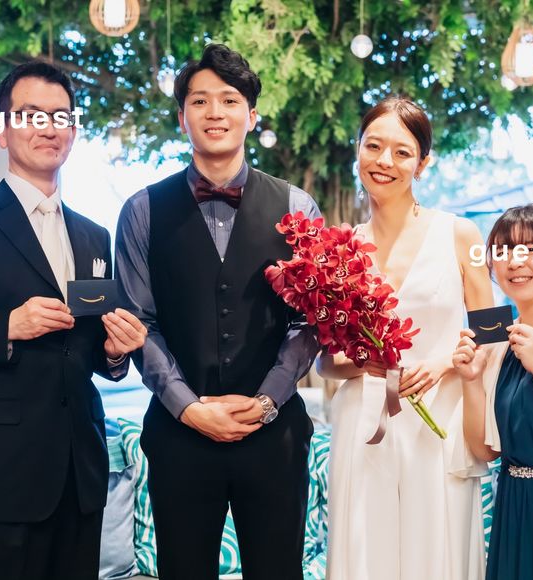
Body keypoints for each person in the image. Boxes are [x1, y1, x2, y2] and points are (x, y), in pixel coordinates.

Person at [115, 43, 320, 580]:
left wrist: (267, 400)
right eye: (199, 101)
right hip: (179, 436)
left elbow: (309, 321)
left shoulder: (298, 208)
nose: (215, 113)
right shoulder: (141, 211)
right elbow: (140, 322)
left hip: (274, 435)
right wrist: (188, 407)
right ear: (182, 116)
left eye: (229, 100)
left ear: (251, 116)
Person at [317, 96, 494, 580]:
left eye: (402, 152)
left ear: (423, 163)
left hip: (439, 419)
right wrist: (363, 362)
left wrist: (444, 363)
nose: (384, 161)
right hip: (363, 422)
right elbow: (324, 363)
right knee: (365, 555)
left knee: (434, 550)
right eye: (373, 146)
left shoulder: (462, 234)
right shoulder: (339, 248)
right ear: (358, 149)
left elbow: (493, 329)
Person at [0, 61, 147, 580]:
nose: (48, 127)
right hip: (7, 468)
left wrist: (114, 353)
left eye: (60, 116)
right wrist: (7, 326)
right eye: (31, 115)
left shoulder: (93, 235)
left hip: (81, 468)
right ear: (2, 129)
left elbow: (89, 350)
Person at [453, 203, 533, 580]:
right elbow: (485, 450)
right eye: (504, 250)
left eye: (532, 249)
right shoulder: (498, 341)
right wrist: (471, 380)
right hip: (514, 506)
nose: (515, 261)